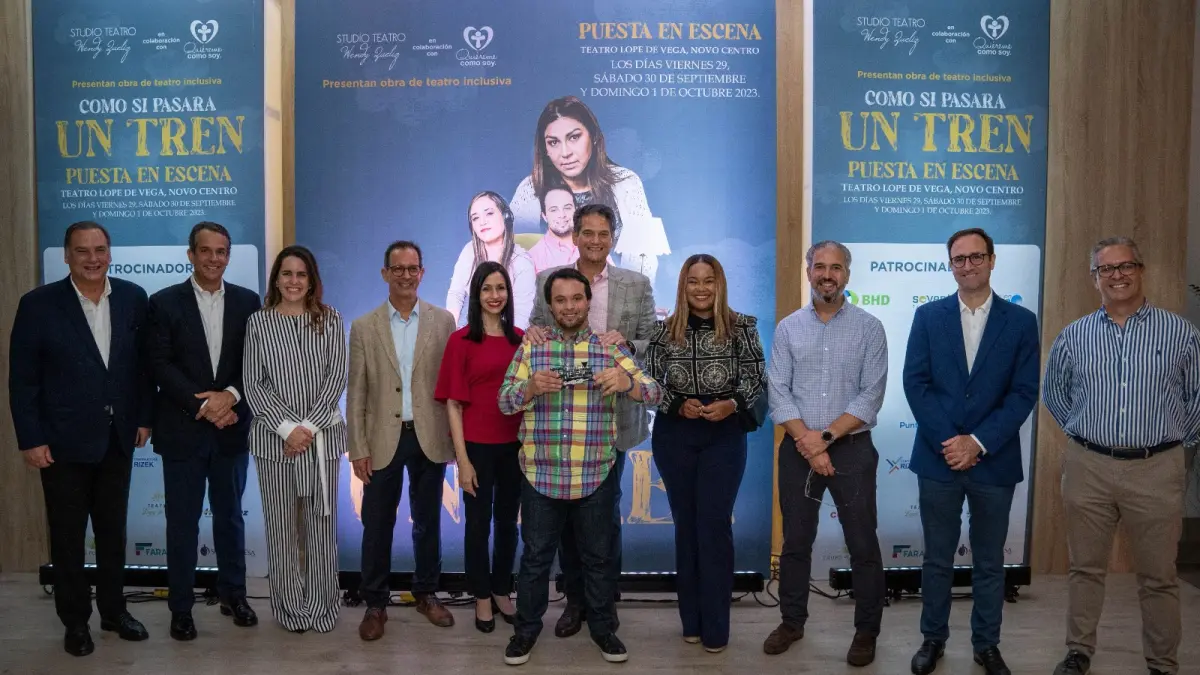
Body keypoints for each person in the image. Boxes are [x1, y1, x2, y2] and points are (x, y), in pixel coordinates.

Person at [1042, 237, 1200, 675]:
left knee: (1159, 575)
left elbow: (1197, 395)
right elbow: (1054, 393)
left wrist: (1174, 443)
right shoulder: (1074, 335)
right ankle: (1078, 652)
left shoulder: (1180, 333)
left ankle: (1162, 663)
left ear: (1140, 269)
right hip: (1088, 467)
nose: (1117, 275)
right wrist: (1086, 432)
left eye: (1125, 265)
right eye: (1106, 269)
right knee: (1085, 568)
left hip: (1157, 467)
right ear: (1094, 278)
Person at [498, 267, 663, 666]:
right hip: (540, 474)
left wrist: (627, 384)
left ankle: (603, 630)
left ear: (589, 301)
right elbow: (504, 402)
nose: (569, 307)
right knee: (535, 560)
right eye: (560, 300)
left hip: (595, 473)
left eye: (576, 298)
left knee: (598, 559)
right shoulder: (532, 348)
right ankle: (525, 632)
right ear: (549, 305)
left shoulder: (609, 349)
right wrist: (530, 388)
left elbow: (655, 392)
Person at [8, 221, 153, 656]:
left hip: (117, 439)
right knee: (68, 538)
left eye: (100, 249)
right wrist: (31, 438)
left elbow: (142, 367)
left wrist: (143, 418)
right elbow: (23, 380)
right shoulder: (38, 305)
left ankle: (113, 610)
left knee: (112, 533)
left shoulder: (133, 297)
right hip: (61, 443)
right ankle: (75, 622)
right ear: (66, 256)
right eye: (83, 251)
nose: (93, 258)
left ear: (110, 252)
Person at [902, 228, 1040, 675]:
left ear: (992, 260)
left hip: (993, 460)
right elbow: (915, 383)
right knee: (936, 559)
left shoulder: (1021, 321)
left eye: (976, 257)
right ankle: (932, 640)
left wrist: (977, 442)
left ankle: (987, 645)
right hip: (938, 458)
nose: (968, 265)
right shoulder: (928, 317)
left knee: (989, 562)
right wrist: (952, 442)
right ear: (951, 265)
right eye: (959, 259)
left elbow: (1023, 392)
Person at [524, 202, 657, 638]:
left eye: (603, 233)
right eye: (588, 233)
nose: (595, 241)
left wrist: (628, 348)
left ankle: (604, 601)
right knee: (565, 521)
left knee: (604, 517)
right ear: (575, 235)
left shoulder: (636, 284)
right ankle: (574, 600)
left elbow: (652, 342)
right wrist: (533, 332)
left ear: (613, 237)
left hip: (612, 419)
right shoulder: (550, 280)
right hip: (560, 420)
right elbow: (535, 332)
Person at [764, 240, 887, 667]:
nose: (827, 275)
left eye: (836, 267)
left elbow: (871, 395)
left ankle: (866, 631)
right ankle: (791, 622)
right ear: (809, 272)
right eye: (820, 267)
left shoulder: (870, 328)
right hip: (798, 449)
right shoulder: (788, 328)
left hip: (852, 449)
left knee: (863, 544)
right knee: (795, 542)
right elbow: (778, 391)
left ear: (847, 275)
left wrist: (826, 439)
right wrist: (808, 442)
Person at [145, 222, 262, 641]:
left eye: (221, 251)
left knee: (230, 518)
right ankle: (181, 608)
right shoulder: (163, 302)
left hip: (231, 428)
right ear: (191, 255)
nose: (214, 258)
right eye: (206, 251)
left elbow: (257, 363)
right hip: (183, 431)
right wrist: (203, 406)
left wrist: (229, 396)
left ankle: (234, 595)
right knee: (182, 523)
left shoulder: (249, 302)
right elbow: (159, 364)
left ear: (228, 256)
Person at [644, 253, 766, 653]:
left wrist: (732, 404)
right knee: (686, 526)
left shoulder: (742, 326)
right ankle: (691, 622)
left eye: (708, 280)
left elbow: (756, 378)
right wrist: (676, 404)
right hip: (675, 435)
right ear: (683, 286)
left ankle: (716, 627)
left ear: (720, 284)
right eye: (693, 281)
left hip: (724, 434)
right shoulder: (663, 332)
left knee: (714, 527)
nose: (701, 288)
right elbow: (649, 384)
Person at [348, 241, 457, 640]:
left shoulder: (443, 321)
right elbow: (356, 392)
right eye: (398, 269)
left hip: (429, 435)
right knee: (377, 523)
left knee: (428, 522)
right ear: (385, 273)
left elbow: (451, 386)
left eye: (413, 268)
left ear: (422, 273)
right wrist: (357, 447)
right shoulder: (364, 326)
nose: (406, 275)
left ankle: (426, 593)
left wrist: (456, 441)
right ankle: (375, 603)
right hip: (381, 438)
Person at [242, 245, 347, 634]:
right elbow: (253, 384)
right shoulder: (258, 323)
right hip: (274, 445)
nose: (294, 281)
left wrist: (308, 428)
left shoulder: (330, 319)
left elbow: (336, 378)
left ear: (312, 280)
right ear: (276, 279)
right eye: (286, 273)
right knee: (281, 529)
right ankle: (289, 609)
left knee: (321, 528)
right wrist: (288, 430)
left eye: (301, 274)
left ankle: (322, 606)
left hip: (321, 443)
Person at [434, 261, 524, 633]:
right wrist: (463, 460)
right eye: (487, 288)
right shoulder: (461, 341)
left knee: (508, 525)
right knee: (477, 525)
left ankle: (502, 589)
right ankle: (482, 596)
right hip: (476, 447)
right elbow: (453, 404)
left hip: (515, 447)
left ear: (509, 293)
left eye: (500, 288)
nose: (494, 295)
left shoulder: (521, 340)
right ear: (476, 294)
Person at [509, 95, 669, 287]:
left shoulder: (625, 183)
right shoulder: (532, 188)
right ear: (545, 149)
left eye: (574, 137)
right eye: (553, 142)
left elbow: (643, 257)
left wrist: (627, 298)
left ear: (593, 137)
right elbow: (515, 255)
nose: (565, 153)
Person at [446, 191, 536, 328]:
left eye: (489, 213)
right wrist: (450, 331)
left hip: (507, 331)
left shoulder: (522, 261)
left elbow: (521, 318)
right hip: (473, 326)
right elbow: (456, 294)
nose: (482, 222)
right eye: (475, 218)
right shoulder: (469, 250)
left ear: (506, 217)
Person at [526, 187, 579, 273]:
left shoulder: (594, 243)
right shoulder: (533, 258)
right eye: (554, 210)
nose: (562, 215)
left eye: (567, 208)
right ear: (544, 216)